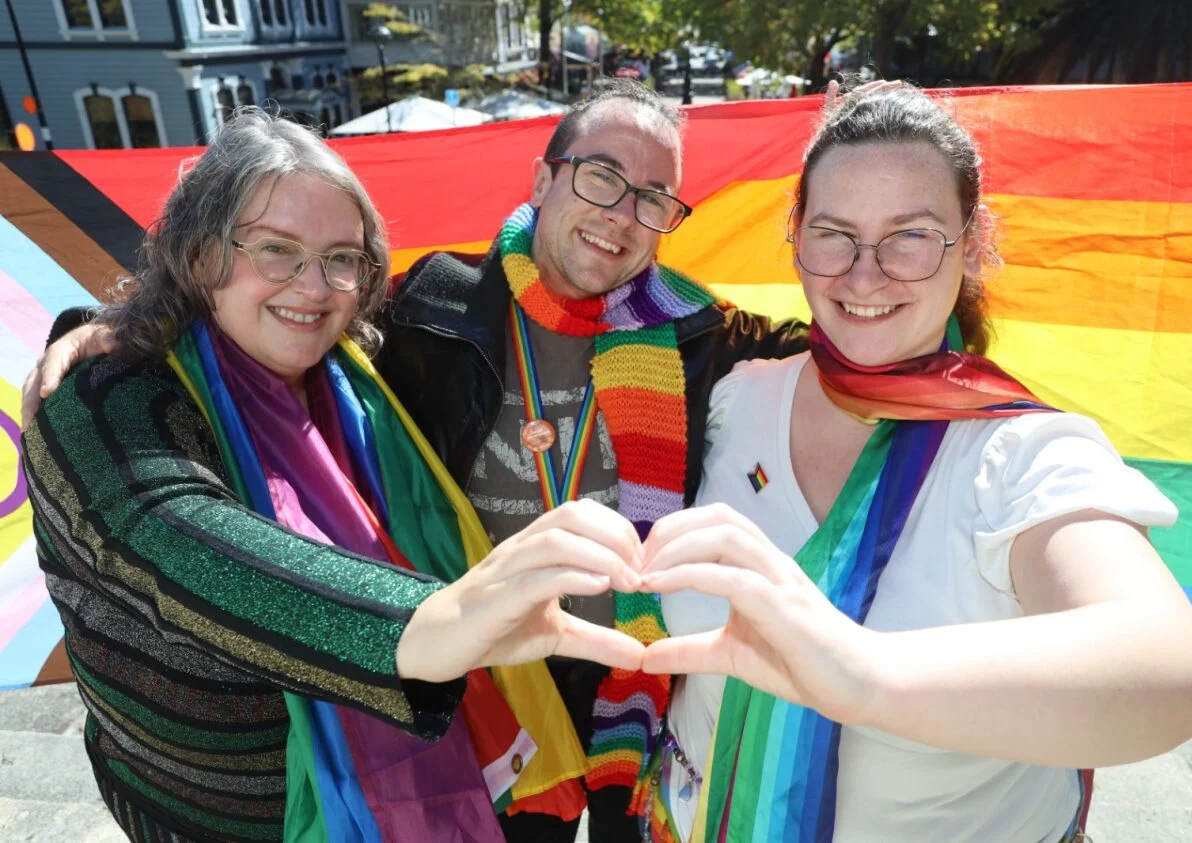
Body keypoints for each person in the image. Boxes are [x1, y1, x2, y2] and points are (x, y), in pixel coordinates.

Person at [23, 79, 808, 842]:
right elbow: (179, 537)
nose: (313, 286)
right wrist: (439, 623)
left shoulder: (695, 332)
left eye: (653, 197)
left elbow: (841, 346)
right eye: (601, 176)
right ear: (544, 179)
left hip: (613, 688)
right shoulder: (430, 306)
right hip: (411, 716)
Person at [639, 83, 1192, 842]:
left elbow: (1169, 680)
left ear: (972, 244)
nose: (864, 274)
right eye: (834, 233)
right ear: (796, 235)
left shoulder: (1024, 453)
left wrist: (861, 673)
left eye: (909, 235)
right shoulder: (737, 398)